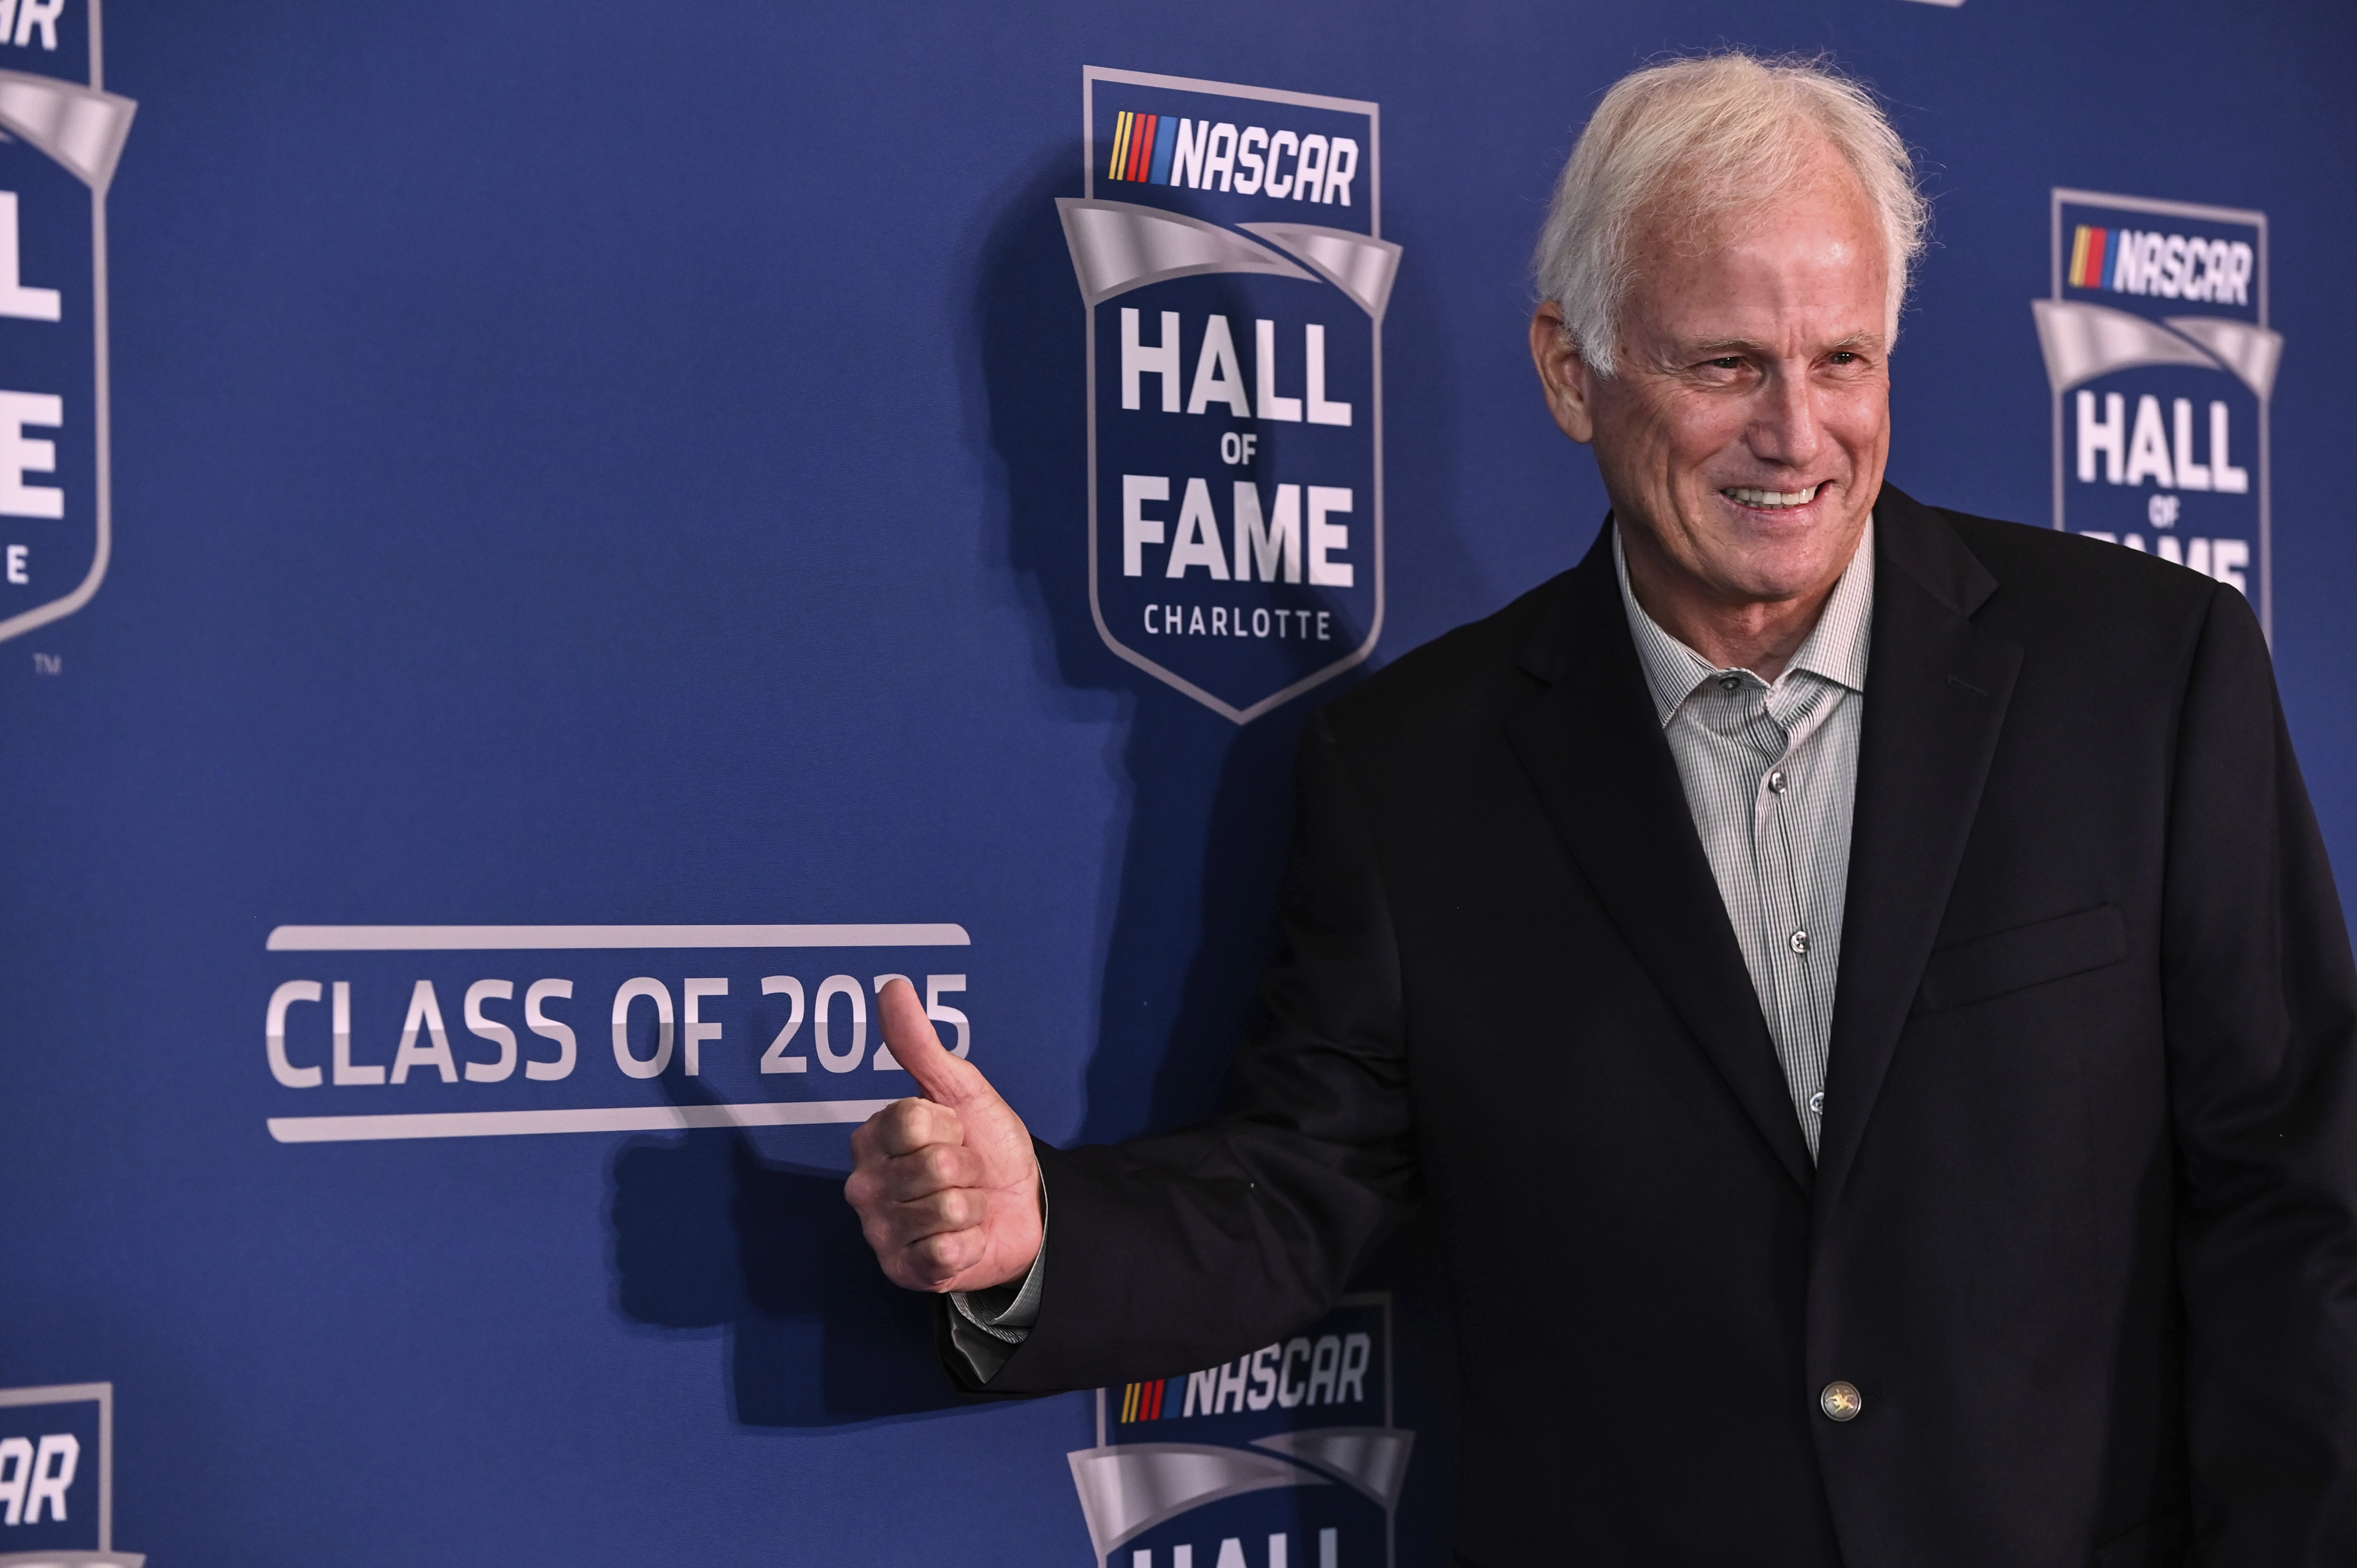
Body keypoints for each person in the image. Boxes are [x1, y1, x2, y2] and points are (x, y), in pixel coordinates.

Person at [846, 52, 2357, 1567]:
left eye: (1841, 359)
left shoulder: (2145, 676)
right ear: (1571, 370)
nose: (1796, 435)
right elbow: (1305, 1185)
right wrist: (1036, 1233)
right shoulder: (1412, 771)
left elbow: (2300, 1199)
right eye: (1723, 366)